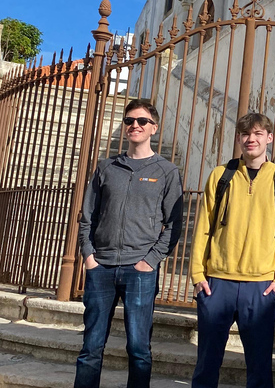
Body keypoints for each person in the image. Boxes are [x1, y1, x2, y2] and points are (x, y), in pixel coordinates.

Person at [76, 99, 183, 388]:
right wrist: (89, 255)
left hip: (140, 271)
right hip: (101, 268)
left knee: (138, 350)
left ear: (154, 128)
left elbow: (174, 225)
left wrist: (150, 261)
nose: (135, 125)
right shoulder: (106, 167)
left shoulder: (166, 172)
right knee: (90, 350)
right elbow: (87, 215)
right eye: (129, 121)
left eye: (142, 121)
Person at [189, 113, 275, 388]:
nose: (251, 139)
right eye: (246, 134)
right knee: (206, 363)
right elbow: (203, 226)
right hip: (217, 282)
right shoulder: (221, 175)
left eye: (258, 134)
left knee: (260, 367)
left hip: (261, 285)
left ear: (269, 138)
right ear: (238, 138)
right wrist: (197, 275)